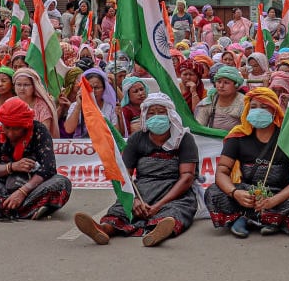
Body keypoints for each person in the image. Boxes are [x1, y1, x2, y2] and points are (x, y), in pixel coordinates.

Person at [73, 93, 197, 247]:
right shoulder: (137, 138)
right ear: (145, 115)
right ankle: (103, 230)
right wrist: (134, 200)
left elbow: (187, 177)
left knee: (174, 212)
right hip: (142, 189)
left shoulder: (184, 138)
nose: (156, 116)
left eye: (161, 112)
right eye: (151, 112)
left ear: (170, 114)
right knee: (121, 209)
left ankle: (156, 233)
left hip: (174, 192)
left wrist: (158, 206)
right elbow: (125, 173)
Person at [205, 88, 289, 237]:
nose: (258, 111)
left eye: (264, 106)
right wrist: (236, 193)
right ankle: (266, 220)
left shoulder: (287, 138)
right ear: (247, 110)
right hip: (247, 193)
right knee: (213, 192)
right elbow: (222, 171)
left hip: (279, 194)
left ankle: (254, 218)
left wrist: (273, 200)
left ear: (274, 110)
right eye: (253, 107)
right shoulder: (238, 136)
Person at [0, 98, 71, 220]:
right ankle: (29, 210)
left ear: (25, 125)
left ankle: (0, 208)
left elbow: (48, 169)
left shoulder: (39, 130)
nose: (10, 133)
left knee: (62, 183)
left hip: (33, 187)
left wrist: (23, 192)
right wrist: (12, 167)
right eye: (7, 127)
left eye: (16, 129)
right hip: (3, 185)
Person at [62, 68, 117, 138]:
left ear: (104, 89)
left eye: (96, 88)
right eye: (89, 88)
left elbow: (116, 133)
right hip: (82, 147)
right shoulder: (75, 105)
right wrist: (78, 105)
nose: (93, 91)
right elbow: (69, 129)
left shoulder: (110, 107)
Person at [194, 66, 246, 131]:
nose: (221, 86)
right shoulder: (208, 102)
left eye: (226, 82)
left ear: (236, 85)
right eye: (219, 82)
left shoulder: (244, 103)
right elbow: (199, 128)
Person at [12, 68, 60, 139]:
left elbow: (44, 132)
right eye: (18, 84)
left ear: (34, 86)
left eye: (26, 85)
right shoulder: (10, 103)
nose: (22, 88)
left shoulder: (42, 106)